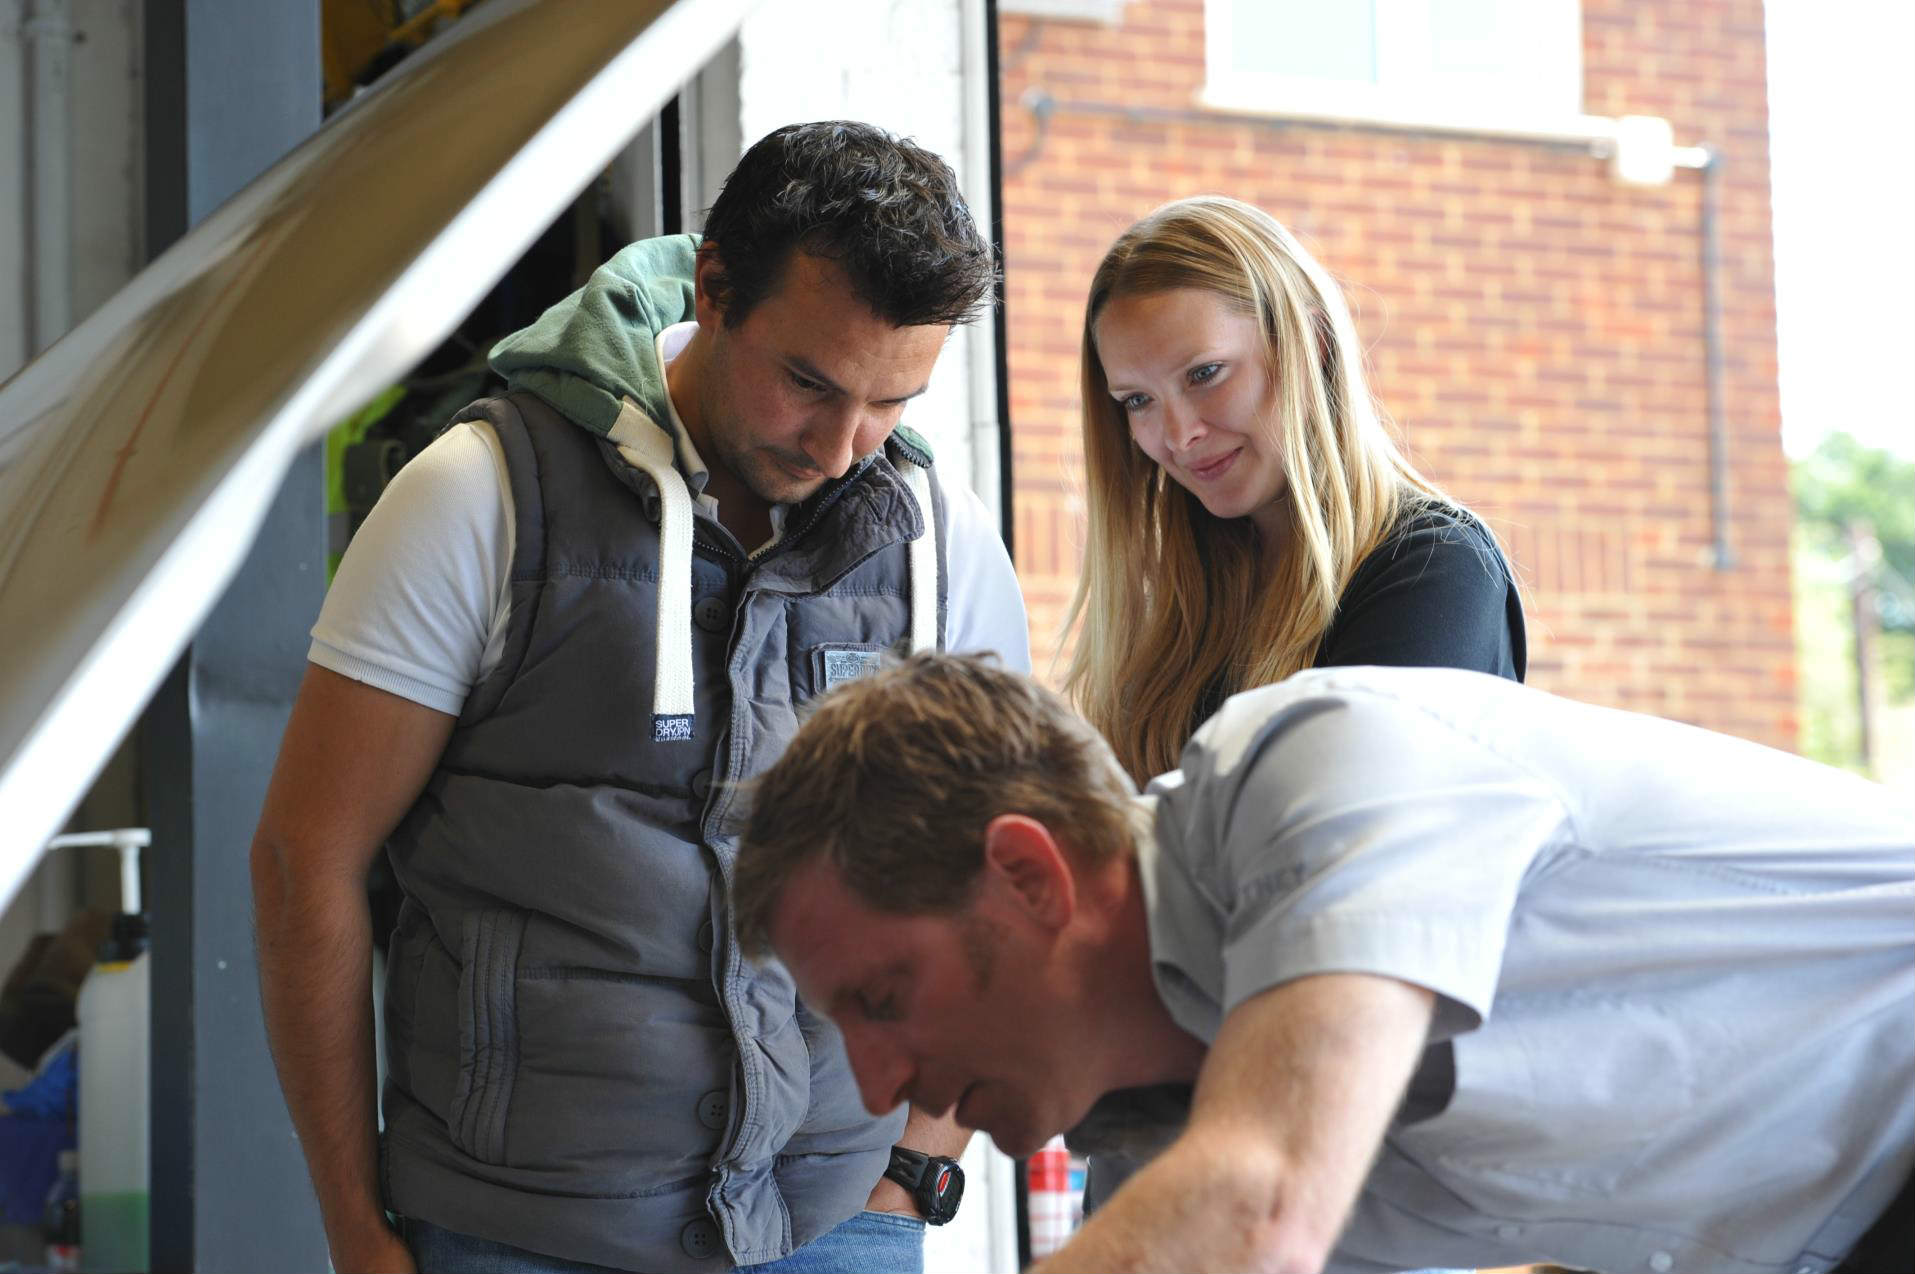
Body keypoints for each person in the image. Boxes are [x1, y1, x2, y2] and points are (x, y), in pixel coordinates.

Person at [250, 122, 1030, 1274]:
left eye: (890, 401)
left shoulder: (939, 540)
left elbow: (1010, 865)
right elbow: (304, 858)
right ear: (713, 287)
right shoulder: (479, 494)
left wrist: (919, 1163)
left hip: (838, 1219)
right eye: (807, 382)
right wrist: (354, 1227)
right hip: (518, 1226)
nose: (840, 443)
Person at [732, 652, 1914, 1274]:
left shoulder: (1317, 762)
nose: (879, 1086)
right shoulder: (1183, 1118)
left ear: (1028, 875)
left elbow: (1260, 1206)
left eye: (883, 999)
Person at [1067, 195, 1523, 785]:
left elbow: (1342, 845)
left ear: (1314, 344)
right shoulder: (1186, 595)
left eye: (1205, 374)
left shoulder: (1435, 570)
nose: (1178, 436)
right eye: (1138, 401)